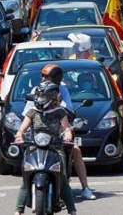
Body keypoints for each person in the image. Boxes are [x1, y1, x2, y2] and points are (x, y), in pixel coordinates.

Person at [22, 64, 95, 201]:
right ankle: (25, 191)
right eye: (42, 75)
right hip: (38, 133)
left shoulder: (63, 91)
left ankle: (85, 188)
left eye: (46, 76)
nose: (43, 78)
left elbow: (67, 111)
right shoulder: (36, 89)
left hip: (57, 132)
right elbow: (28, 112)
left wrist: (67, 131)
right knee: (26, 159)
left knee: (76, 150)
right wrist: (20, 133)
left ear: (55, 78)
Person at [14, 82, 77, 215]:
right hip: (34, 146)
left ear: (53, 97)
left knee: (63, 178)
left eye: (44, 96)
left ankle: (72, 211)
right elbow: (22, 128)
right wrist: (19, 135)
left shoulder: (60, 112)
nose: (41, 99)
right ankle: (18, 210)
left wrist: (67, 137)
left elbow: (66, 129)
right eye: (39, 96)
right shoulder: (32, 112)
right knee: (26, 176)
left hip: (55, 147)